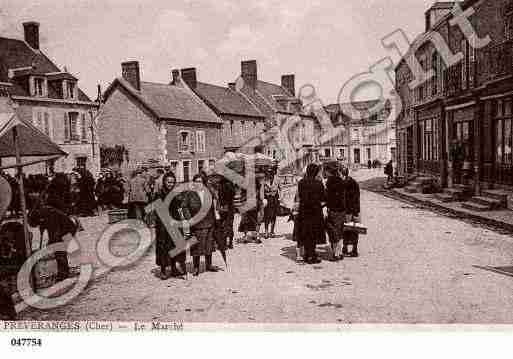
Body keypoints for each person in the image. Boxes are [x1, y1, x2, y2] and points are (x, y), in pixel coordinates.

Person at [182, 173, 219, 277]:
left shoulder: (208, 193)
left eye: (201, 181)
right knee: (196, 246)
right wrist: (189, 218)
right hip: (196, 224)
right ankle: (196, 267)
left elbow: (214, 205)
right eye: (196, 182)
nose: (199, 184)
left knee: (209, 244)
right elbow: (184, 207)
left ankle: (209, 265)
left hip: (209, 221)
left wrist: (216, 215)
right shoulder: (190, 194)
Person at [154, 171, 187, 279]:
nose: (171, 184)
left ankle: (173, 269)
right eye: (169, 182)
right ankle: (163, 270)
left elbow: (179, 208)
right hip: (163, 224)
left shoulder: (175, 194)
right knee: (163, 247)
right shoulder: (159, 194)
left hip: (175, 223)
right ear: (164, 182)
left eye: (172, 182)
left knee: (174, 246)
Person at [296, 163, 326, 264]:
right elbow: (323, 198)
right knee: (313, 234)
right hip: (315, 211)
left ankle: (307, 254)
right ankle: (312, 255)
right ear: (316, 172)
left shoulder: (301, 183)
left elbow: (300, 195)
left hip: (304, 211)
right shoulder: (319, 184)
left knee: (306, 232)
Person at [324, 162, 345, 261]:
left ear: (329, 171)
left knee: (333, 231)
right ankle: (339, 252)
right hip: (342, 210)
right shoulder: (341, 180)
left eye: (326, 171)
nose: (325, 172)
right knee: (340, 231)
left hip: (333, 210)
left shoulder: (330, 181)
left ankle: (336, 254)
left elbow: (328, 197)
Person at [341, 166, 361, 257]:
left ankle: (345, 247)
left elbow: (343, 198)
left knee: (346, 229)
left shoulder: (343, 184)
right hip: (355, 210)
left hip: (347, 211)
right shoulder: (355, 183)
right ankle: (354, 249)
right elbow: (357, 197)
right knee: (355, 230)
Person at [217, 176, 236, 249]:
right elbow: (233, 194)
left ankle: (224, 244)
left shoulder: (220, 186)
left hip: (223, 208)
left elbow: (220, 197)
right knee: (230, 225)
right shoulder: (230, 185)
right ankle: (230, 243)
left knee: (223, 225)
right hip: (230, 208)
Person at [263, 168, 281, 238]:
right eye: (269, 172)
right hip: (267, 198)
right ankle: (266, 231)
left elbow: (281, 188)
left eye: (271, 172)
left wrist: (281, 198)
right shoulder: (264, 179)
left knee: (273, 215)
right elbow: (262, 189)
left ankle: (272, 231)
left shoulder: (277, 179)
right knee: (267, 215)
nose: (270, 174)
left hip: (275, 198)